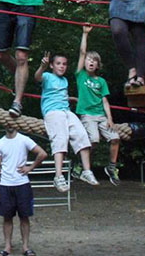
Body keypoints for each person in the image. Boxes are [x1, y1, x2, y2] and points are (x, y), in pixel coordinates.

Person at [35, 50, 99, 190]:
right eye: (58, 64)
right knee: (61, 138)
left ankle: (86, 171)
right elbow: (37, 77)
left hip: (66, 111)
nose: (62, 66)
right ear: (52, 65)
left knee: (82, 135)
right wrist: (42, 66)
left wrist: (71, 99)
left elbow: (60, 94)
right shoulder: (47, 76)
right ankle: (58, 176)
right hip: (53, 112)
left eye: (64, 64)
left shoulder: (64, 81)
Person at [0, 128, 47, 256]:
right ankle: (7, 246)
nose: (9, 125)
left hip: (22, 184)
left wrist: (30, 167)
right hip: (6, 184)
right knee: (7, 217)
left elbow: (42, 153)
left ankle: (25, 247)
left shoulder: (24, 140)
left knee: (24, 216)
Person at [77, 25, 121, 184]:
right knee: (93, 139)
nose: (91, 62)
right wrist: (85, 34)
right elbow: (82, 52)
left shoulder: (101, 81)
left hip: (101, 115)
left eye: (94, 61)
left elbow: (105, 101)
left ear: (97, 65)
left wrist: (110, 119)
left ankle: (111, 167)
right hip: (87, 115)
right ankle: (81, 165)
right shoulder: (80, 75)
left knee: (115, 138)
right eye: (89, 60)